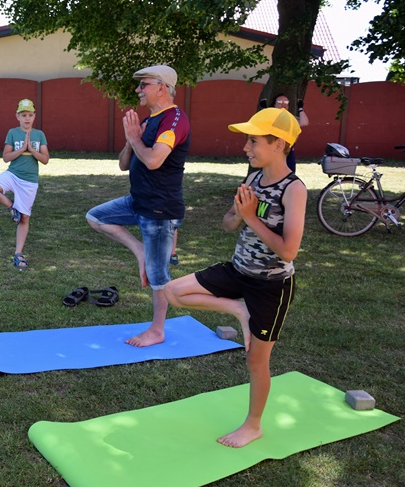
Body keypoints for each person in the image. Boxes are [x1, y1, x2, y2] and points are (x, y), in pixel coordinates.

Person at [165, 107, 306, 448]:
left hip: (271, 286)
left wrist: (250, 217)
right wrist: (238, 213)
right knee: (172, 292)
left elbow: (289, 251)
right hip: (238, 270)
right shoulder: (254, 179)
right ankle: (239, 312)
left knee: (256, 361)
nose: (246, 147)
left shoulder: (294, 189)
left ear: (278, 143)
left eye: (254, 141)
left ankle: (253, 425)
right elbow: (229, 224)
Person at [86, 65, 190, 346]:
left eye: (143, 84)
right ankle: (139, 249)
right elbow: (123, 164)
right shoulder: (150, 121)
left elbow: (155, 160)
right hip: (137, 201)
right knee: (95, 217)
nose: (138, 90)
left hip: (159, 210)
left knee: (158, 276)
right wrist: (131, 140)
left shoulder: (174, 120)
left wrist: (135, 137)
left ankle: (157, 330)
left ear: (161, 87)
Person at [0, 99, 49, 270]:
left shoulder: (39, 135)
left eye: (30, 115)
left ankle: (18, 253)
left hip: (29, 180)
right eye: (23, 115)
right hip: (13, 174)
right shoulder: (12, 132)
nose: (27, 118)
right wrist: (22, 149)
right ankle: (12, 207)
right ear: (17, 116)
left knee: (25, 218)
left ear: (34, 116)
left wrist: (32, 150)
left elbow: (46, 160)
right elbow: (6, 157)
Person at [273, 94, 308, 172]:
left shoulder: (291, 118)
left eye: (285, 102)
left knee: (289, 174)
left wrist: (300, 108)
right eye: (279, 102)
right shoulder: (271, 117)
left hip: (288, 151)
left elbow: (304, 122)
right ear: (275, 105)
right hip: (273, 150)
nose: (283, 104)